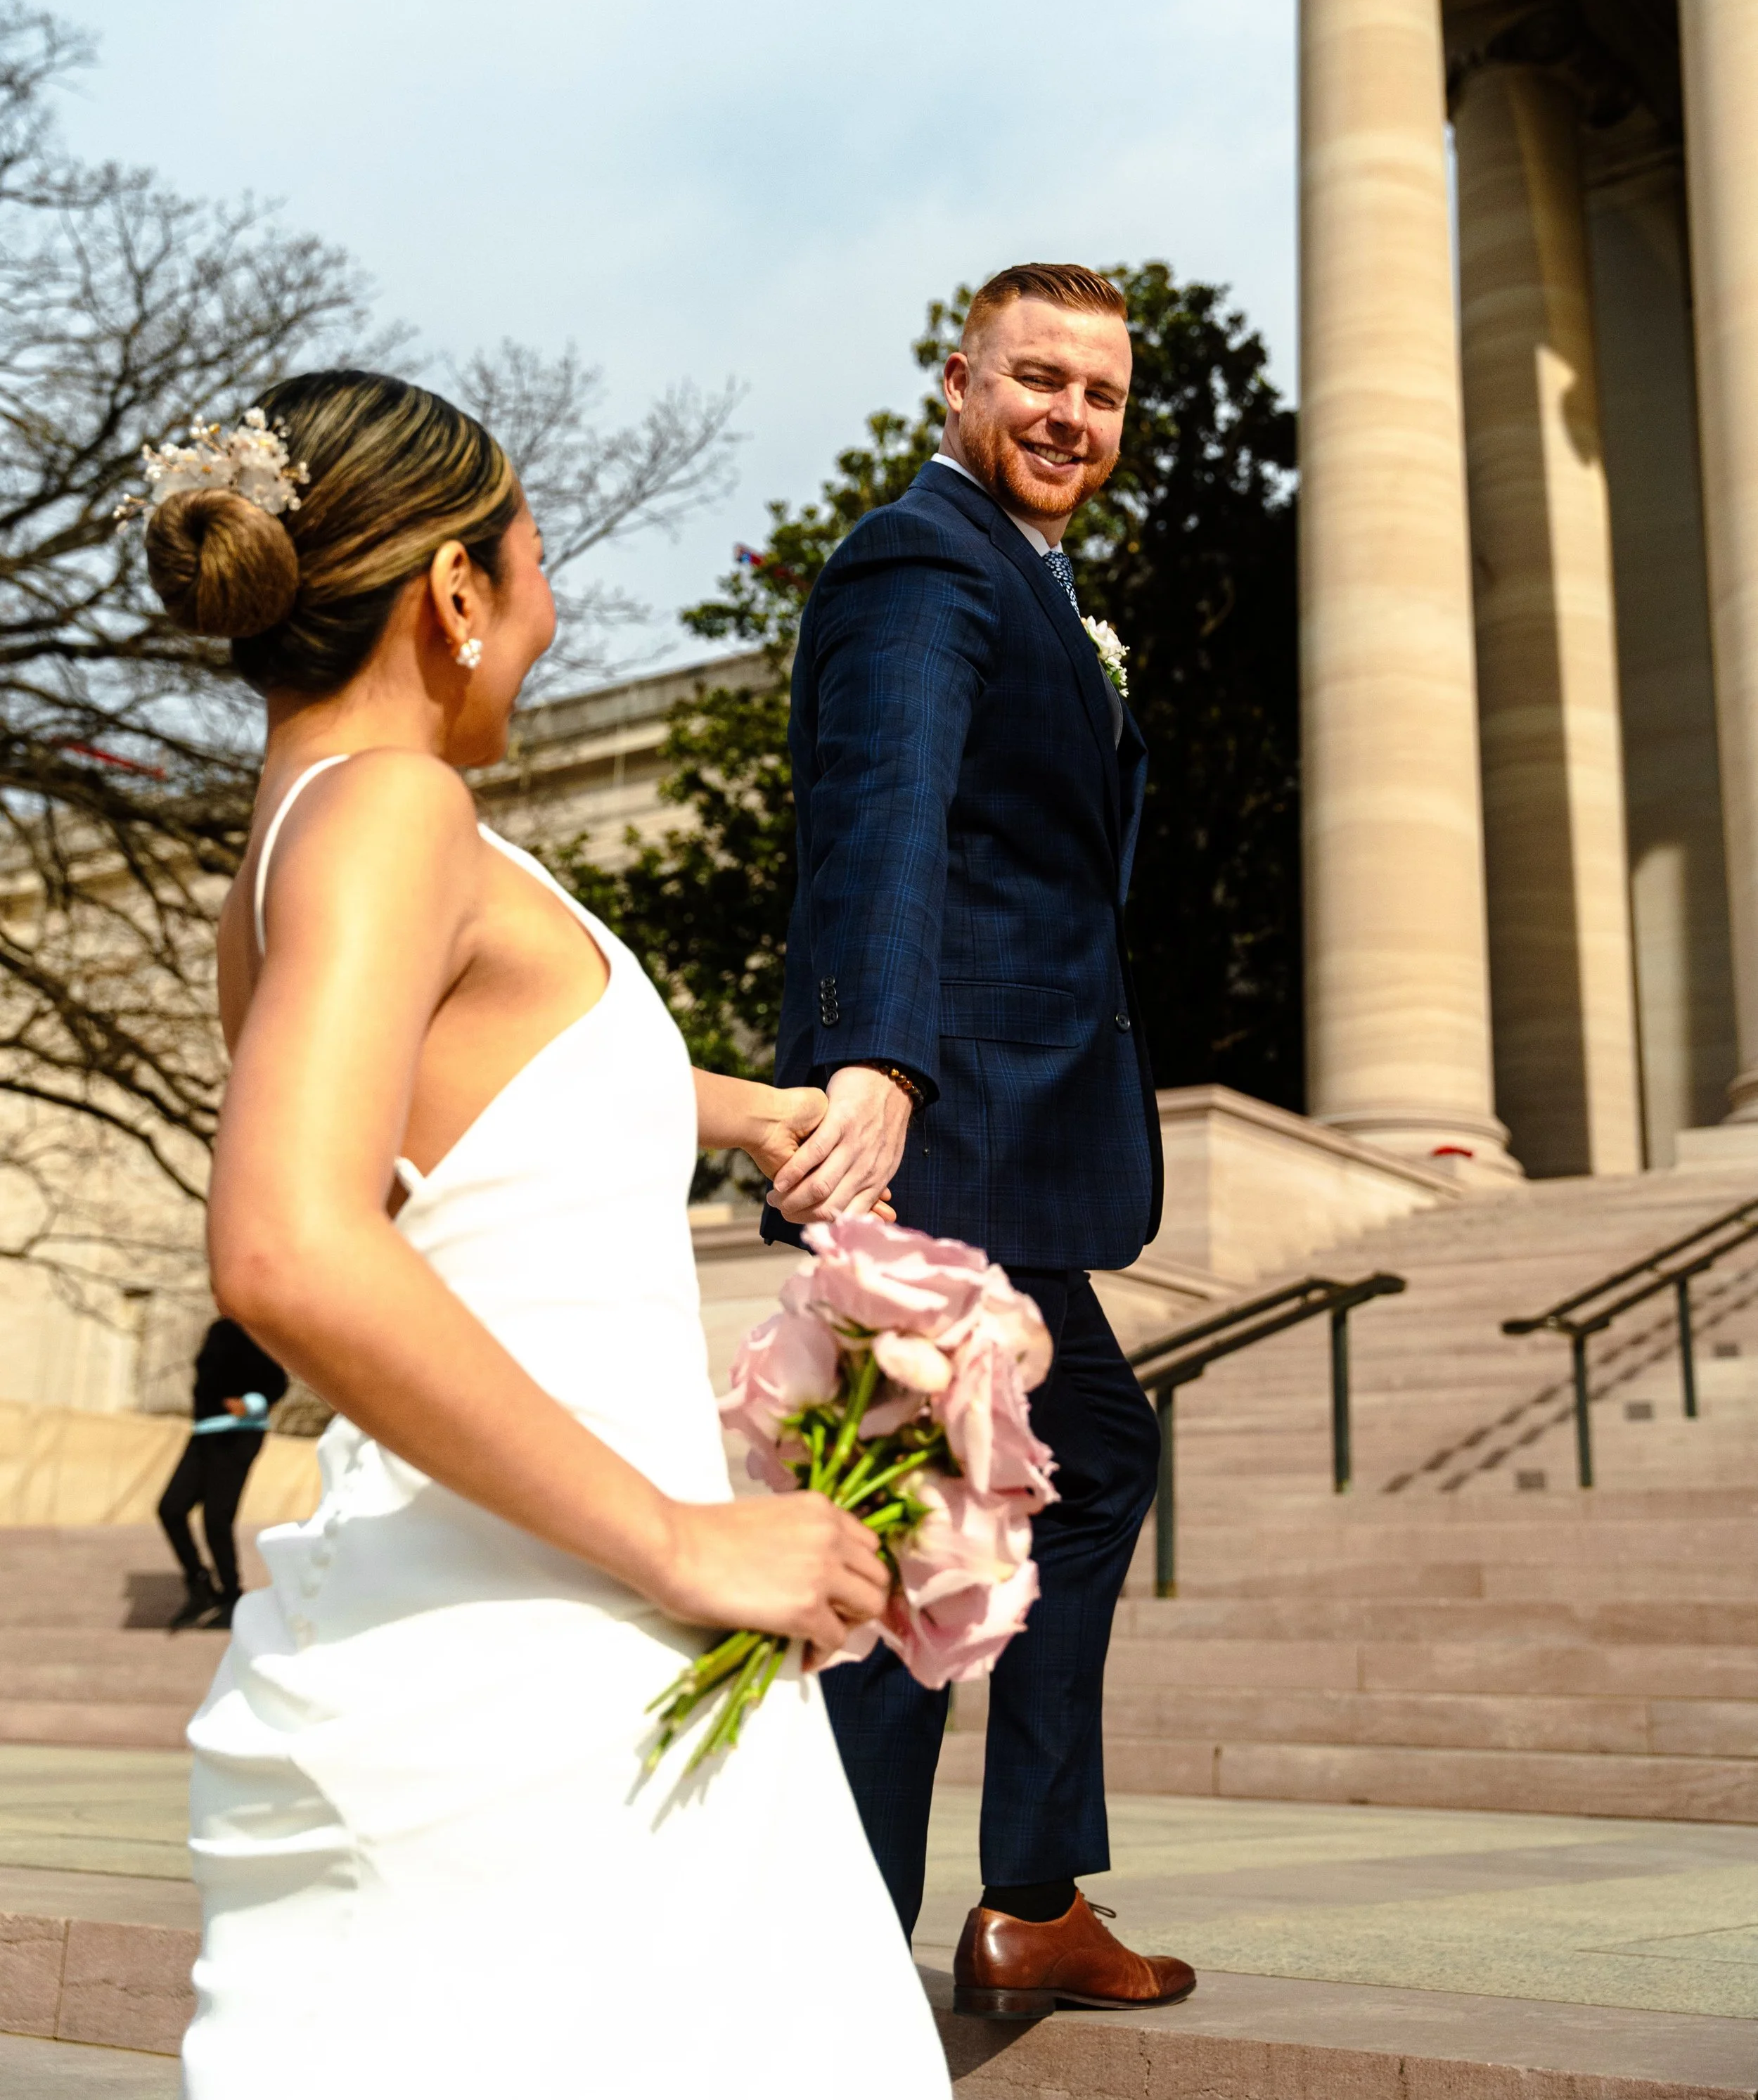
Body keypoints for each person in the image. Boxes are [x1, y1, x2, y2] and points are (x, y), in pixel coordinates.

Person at [138, 373, 947, 2099]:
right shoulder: (390, 812)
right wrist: (680, 1537)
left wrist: (745, 1106)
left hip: (549, 1633)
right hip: (549, 1652)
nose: (549, 611)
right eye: (533, 564)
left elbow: (478, 1097)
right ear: (450, 595)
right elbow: (285, 1242)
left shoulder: (294, 850)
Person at [766, 263, 1197, 2018]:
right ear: (959, 382)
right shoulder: (922, 557)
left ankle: (1021, 1897)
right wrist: (876, 1056)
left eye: (1097, 394)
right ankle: (851, 1952)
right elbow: (884, 806)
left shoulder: (1036, 579)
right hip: (946, 1121)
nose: (1068, 418)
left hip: (1014, 1130)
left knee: (1072, 1463)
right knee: (928, 1522)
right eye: (1036, 378)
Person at [157, 1315, 290, 1628]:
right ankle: (200, 1584)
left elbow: (277, 1380)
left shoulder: (258, 1327)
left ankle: (231, 1596)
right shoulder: (218, 1329)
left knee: (216, 1517)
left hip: (239, 1434)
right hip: (204, 1432)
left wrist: (251, 1404)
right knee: (171, 1508)